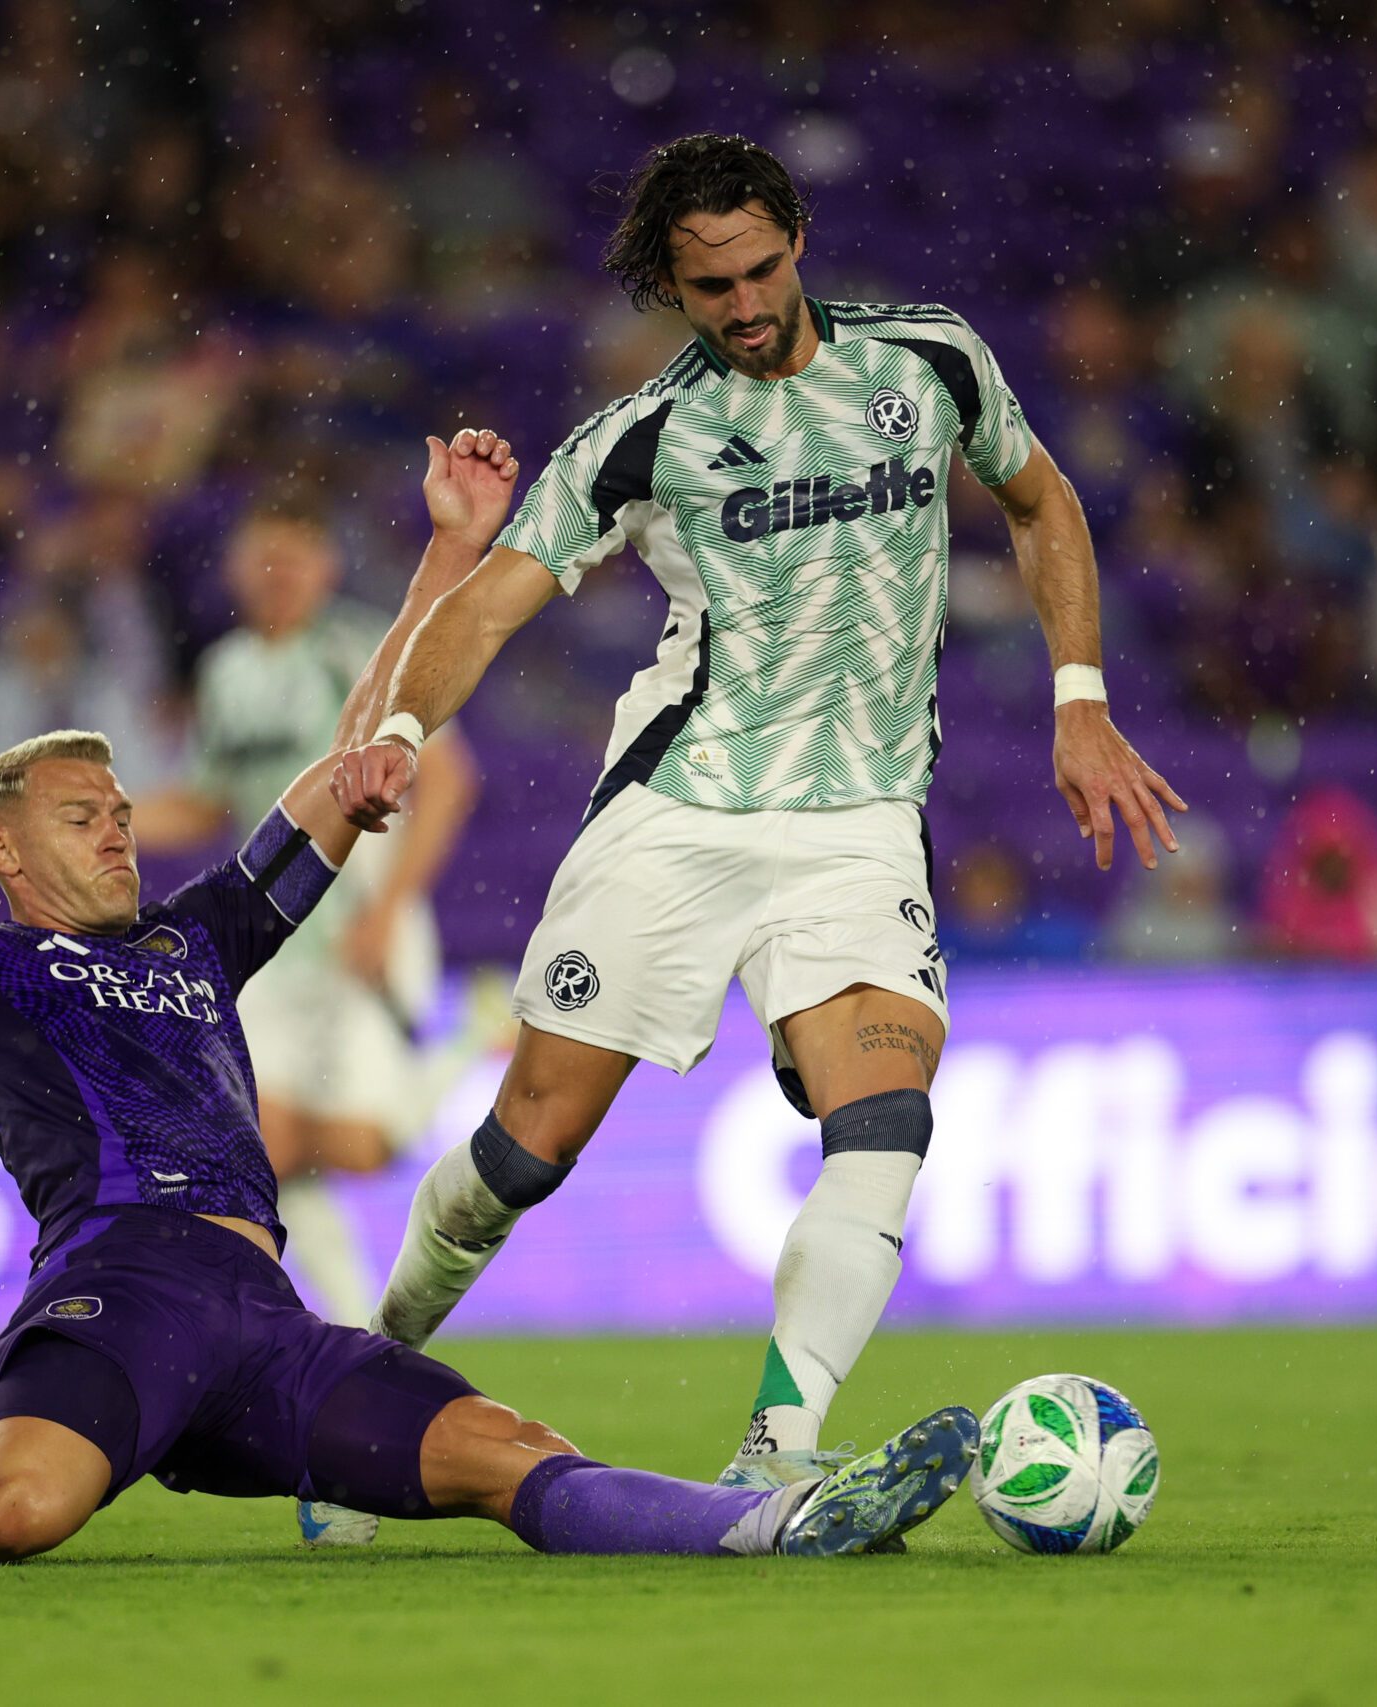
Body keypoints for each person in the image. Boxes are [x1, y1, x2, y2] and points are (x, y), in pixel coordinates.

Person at [0, 431, 976, 1567]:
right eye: (80, 809)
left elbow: (340, 760)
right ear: (1, 843)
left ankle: (779, 1515)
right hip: (113, 1305)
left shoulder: (197, 940)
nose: (114, 822)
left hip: (265, 1326)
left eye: (118, 801)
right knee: (13, 1510)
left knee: (512, 1453)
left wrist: (443, 555)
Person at [324, 135, 1185, 1529]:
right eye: (707, 285)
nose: (741, 303)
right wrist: (403, 736)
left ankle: (778, 1446)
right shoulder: (641, 436)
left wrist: (1078, 698)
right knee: (525, 1151)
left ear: (798, 236)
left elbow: (1042, 500)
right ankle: (361, 1383)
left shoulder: (930, 362)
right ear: (671, 288)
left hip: (859, 819)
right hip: (684, 813)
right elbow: (486, 603)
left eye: (760, 268)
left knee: (887, 1117)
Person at [137, 490, 478, 1341]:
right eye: (261, 560)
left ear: (325, 568)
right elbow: (211, 802)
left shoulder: (357, 650)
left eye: (292, 559)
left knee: (362, 1145)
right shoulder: (226, 672)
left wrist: (389, 909)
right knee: (263, 1145)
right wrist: (101, 816)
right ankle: (349, 1332)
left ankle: (477, 1036)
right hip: (271, 947)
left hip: (358, 930)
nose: (277, 577)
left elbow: (449, 778)